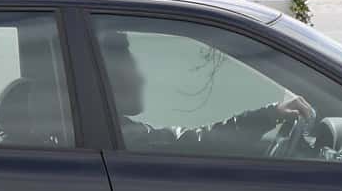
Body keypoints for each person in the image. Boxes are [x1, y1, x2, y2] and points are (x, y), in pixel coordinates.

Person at [99, 28, 313, 155]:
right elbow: (192, 142)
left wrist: (270, 114)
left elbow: (191, 140)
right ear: (110, 79)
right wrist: (269, 114)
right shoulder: (125, 137)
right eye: (131, 69)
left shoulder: (110, 133)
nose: (140, 78)